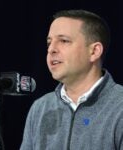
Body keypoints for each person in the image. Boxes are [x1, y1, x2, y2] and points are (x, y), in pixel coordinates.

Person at [19, 9, 123, 150]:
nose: (51, 49)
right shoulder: (40, 108)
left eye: (64, 41)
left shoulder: (119, 105)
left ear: (94, 51)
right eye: (49, 43)